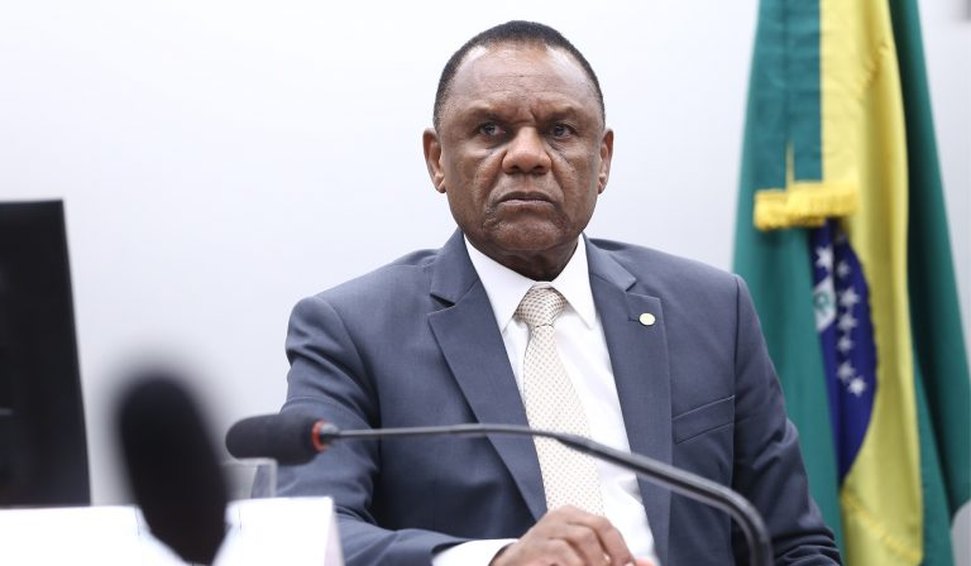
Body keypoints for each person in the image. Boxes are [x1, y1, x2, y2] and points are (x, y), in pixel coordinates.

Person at [275, 20, 841, 566]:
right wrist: (496, 561)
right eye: (489, 129)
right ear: (437, 159)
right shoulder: (351, 331)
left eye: (560, 131)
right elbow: (309, 538)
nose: (527, 156)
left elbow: (795, 546)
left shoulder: (714, 310)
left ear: (603, 160)